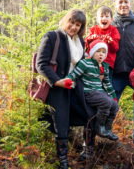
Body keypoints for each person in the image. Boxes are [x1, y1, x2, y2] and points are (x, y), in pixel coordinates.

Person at [36, 9, 95, 169]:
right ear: (65, 21)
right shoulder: (52, 37)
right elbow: (41, 64)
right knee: (61, 125)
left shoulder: (80, 42)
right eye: (72, 22)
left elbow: (82, 66)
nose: (74, 27)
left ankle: (88, 153)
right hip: (57, 89)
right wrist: (57, 81)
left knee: (90, 114)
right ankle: (63, 163)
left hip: (75, 88)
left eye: (78, 25)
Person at [63, 39, 119, 141]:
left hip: (100, 92)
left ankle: (108, 128)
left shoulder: (104, 67)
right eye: (98, 51)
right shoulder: (85, 63)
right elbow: (74, 74)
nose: (101, 54)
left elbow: (107, 83)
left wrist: (113, 96)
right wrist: (68, 80)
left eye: (103, 52)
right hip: (89, 92)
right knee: (106, 102)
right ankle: (99, 126)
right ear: (92, 52)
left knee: (115, 106)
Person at [85, 6, 120, 80]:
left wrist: (110, 41)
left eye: (107, 16)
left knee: (106, 84)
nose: (104, 18)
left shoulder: (114, 30)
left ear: (111, 19)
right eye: (101, 16)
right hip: (93, 63)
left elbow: (116, 48)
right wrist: (90, 39)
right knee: (93, 82)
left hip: (107, 64)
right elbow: (86, 46)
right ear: (97, 19)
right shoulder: (93, 29)